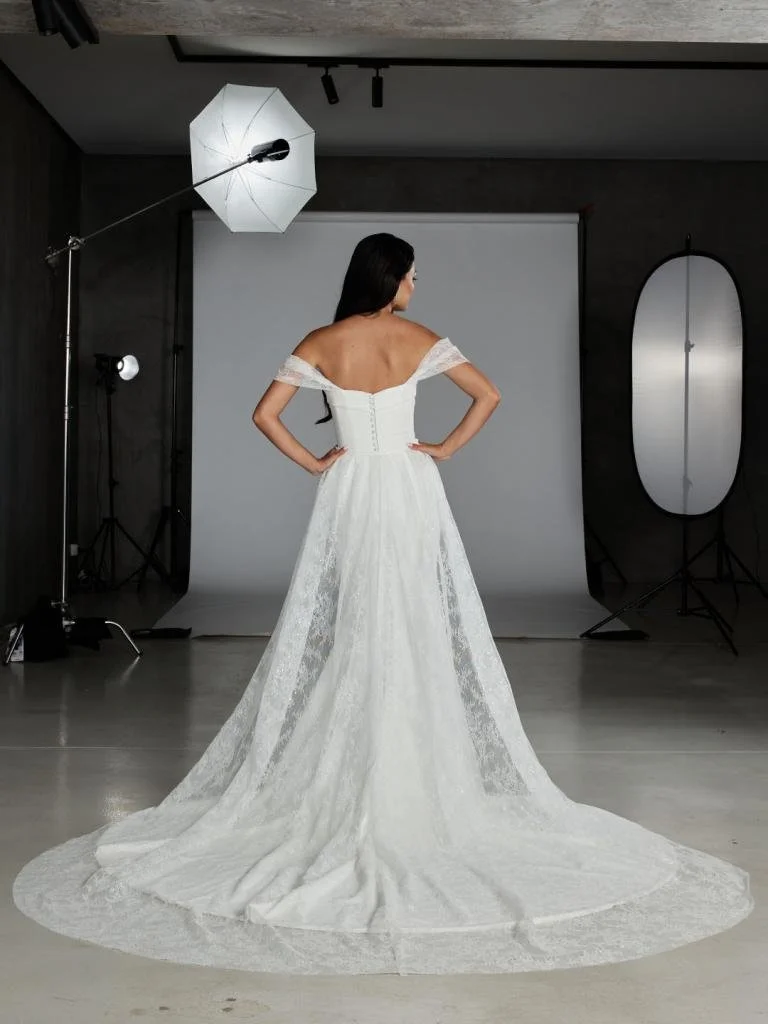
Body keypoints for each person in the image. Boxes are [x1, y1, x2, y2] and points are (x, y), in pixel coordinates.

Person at [13, 233, 753, 976]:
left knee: (355, 621)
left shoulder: (322, 341)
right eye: (412, 276)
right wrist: (444, 449)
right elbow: (488, 395)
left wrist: (318, 462)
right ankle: (408, 774)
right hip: (407, 485)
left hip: (350, 489)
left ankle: (360, 766)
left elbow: (264, 415)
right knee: (413, 620)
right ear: (392, 278)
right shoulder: (419, 339)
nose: (416, 287)